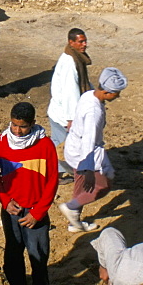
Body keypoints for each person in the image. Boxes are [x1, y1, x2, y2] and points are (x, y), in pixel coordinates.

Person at [0, 101, 58, 285]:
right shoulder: (0, 142)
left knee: (38, 259)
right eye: (14, 125)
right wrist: (5, 201)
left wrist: (38, 212)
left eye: (23, 127)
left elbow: (53, 181)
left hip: (35, 213)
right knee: (13, 255)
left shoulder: (46, 145)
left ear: (33, 124)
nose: (17, 131)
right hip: (11, 211)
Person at [59, 67, 127, 233]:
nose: (118, 96)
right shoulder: (94, 112)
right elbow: (88, 141)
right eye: (116, 93)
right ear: (107, 92)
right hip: (84, 153)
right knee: (102, 186)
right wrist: (88, 168)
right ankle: (71, 207)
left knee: (81, 186)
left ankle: (74, 222)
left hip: (75, 147)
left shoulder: (88, 95)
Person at [47, 28, 92, 180]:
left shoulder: (76, 58)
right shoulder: (70, 62)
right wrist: (72, 119)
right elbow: (70, 92)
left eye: (85, 41)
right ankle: (59, 174)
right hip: (64, 114)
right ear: (71, 42)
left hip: (62, 112)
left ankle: (58, 173)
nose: (84, 44)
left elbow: (82, 84)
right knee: (64, 147)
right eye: (81, 42)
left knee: (61, 144)